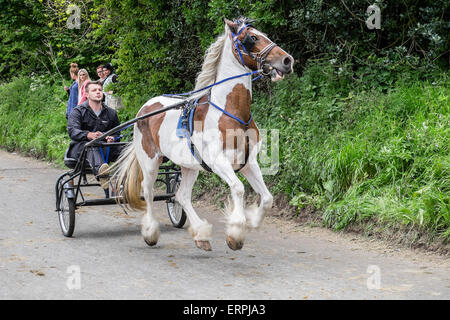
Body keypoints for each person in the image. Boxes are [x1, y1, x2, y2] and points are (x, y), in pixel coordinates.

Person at [67, 80, 121, 194]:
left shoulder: (111, 113)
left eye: (100, 90)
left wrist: (112, 138)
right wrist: (88, 135)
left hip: (106, 148)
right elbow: (72, 131)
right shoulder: (78, 111)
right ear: (86, 95)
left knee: (125, 147)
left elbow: (117, 132)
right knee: (92, 146)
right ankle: (102, 175)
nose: (98, 92)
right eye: (94, 90)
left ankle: (127, 179)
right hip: (82, 149)